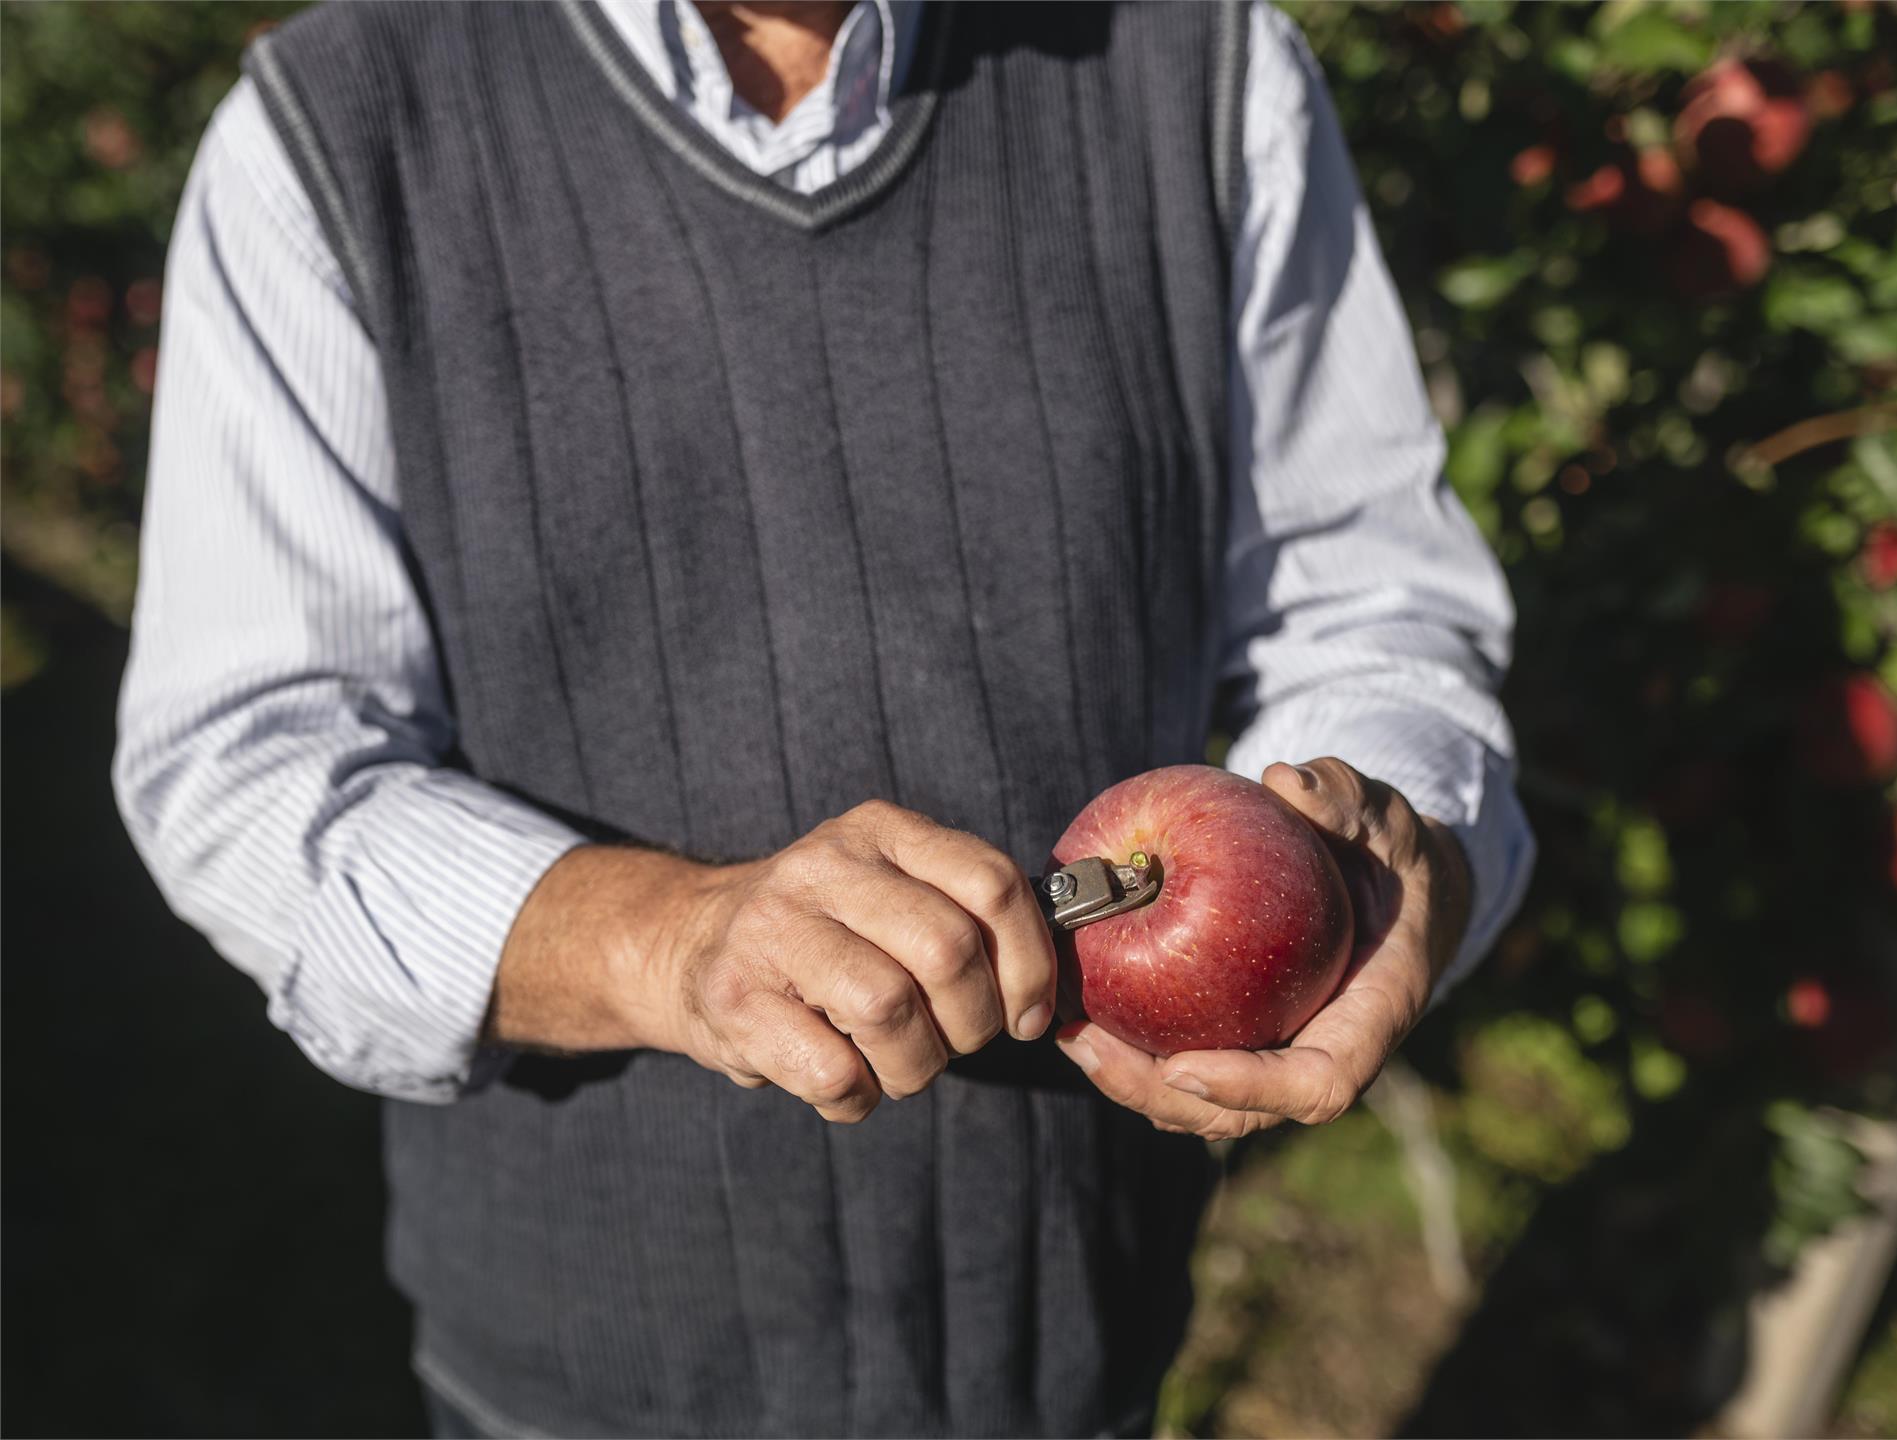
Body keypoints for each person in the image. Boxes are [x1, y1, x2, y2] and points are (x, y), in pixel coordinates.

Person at [114, 2, 1534, 1435]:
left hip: (1075, 1349)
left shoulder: (1202, 65)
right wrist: (669, 941)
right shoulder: (344, 125)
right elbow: (251, 758)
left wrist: (1395, 857)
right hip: (582, 1384)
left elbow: (1373, 606)